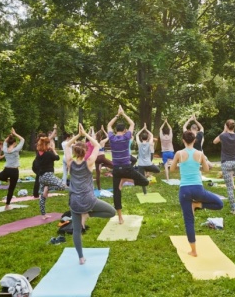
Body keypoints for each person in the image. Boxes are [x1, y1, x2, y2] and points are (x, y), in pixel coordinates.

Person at [65, 123, 116, 264]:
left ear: (75, 152)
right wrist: (86, 135)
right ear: (85, 151)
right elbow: (98, 146)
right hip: (88, 199)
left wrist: (78, 135)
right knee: (111, 212)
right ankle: (88, 214)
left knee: (76, 230)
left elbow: (67, 146)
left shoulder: (70, 163)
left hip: (75, 201)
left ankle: (81, 257)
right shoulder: (89, 162)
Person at [170, 130, 223, 257]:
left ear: (183, 140)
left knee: (189, 221)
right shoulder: (200, 154)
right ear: (194, 140)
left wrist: (181, 165)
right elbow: (206, 169)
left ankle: (193, 251)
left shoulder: (179, 153)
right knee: (219, 204)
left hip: (184, 191)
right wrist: (198, 164)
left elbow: (171, 169)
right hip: (198, 189)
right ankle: (198, 204)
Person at [107, 105, 149, 224]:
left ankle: (120, 217)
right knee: (145, 182)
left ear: (116, 130)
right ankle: (125, 180)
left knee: (117, 193)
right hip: (126, 168)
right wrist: (123, 114)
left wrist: (117, 115)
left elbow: (109, 125)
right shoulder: (126, 137)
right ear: (124, 130)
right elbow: (132, 124)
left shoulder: (112, 138)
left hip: (116, 169)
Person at [34, 129, 66, 219]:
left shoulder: (38, 154)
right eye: (49, 144)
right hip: (48, 175)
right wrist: (53, 149)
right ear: (46, 145)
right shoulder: (48, 154)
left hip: (41, 176)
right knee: (62, 186)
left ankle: (43, 215)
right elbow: (57, 157)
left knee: (42, 197)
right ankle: (48, 188)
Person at [0, 128, 25, 210]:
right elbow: (23, 139)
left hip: (7, 169)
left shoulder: (5, 149)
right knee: (11, 188)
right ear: (14, 143)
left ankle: (6, 179)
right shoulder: (16, 149)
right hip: (14, 171)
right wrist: (15, 133)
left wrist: (9, 136)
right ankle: (7, 205)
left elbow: (5, 142)